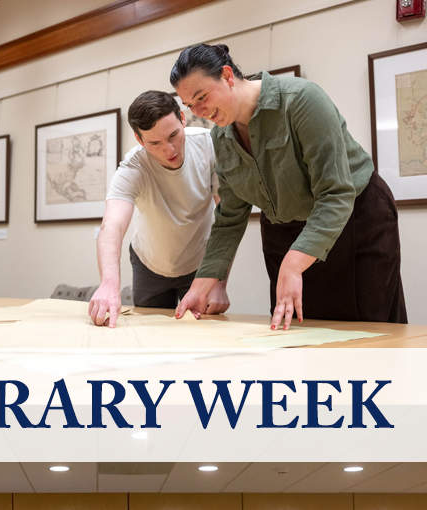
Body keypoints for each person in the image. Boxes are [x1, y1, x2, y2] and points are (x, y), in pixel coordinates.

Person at [171, 43, 406, 329]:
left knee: (366, 329)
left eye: (202, 97)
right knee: (292, 329)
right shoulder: (222, 138)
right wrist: (200, 287)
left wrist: (293, 263)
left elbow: (336, 192)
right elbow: (230, 218)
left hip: (354, 218)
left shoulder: (301, 100)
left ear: (228, 75)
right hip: (285, 230)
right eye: (190, 105)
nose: (199, 110)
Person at [89, 90, 226, 327]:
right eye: (154, 143)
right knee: (148, 332)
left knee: (205, 331)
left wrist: (220, 283)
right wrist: (108, 285)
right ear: (140, 140)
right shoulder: (134, 166)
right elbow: (112, 224)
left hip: (201, 262)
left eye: (173, 135)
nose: (170, 150)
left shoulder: (209, 146)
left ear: (183, 119)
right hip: (148, 263)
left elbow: (227, 218)